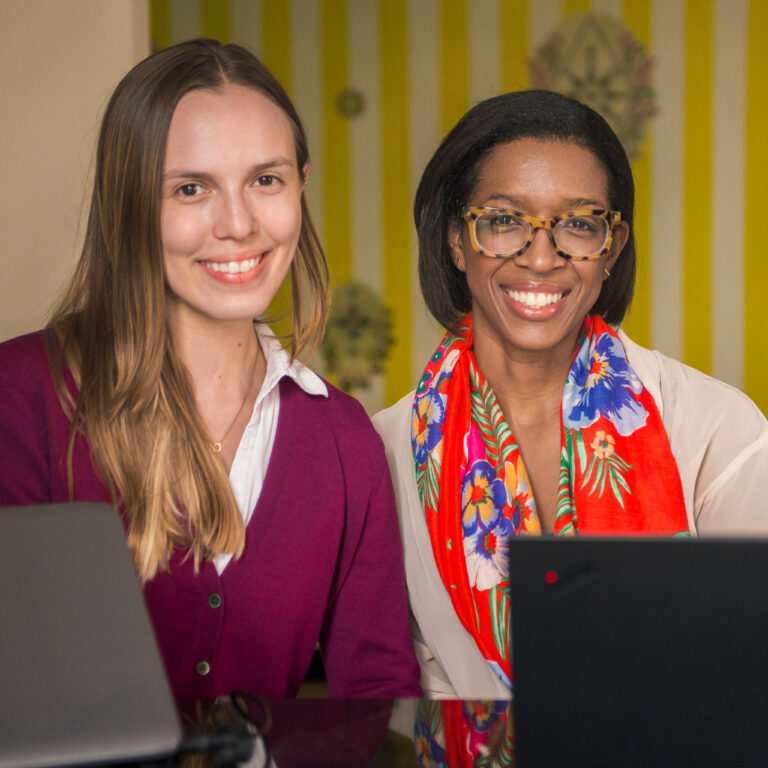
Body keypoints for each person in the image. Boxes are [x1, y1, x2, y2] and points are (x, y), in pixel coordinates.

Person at [0, 38, 421, 708]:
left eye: (265, 180)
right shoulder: (20, 395)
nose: (238, 224)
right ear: (130, 204)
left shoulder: (345, 442)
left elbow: (378, 699)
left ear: (301, 185)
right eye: (191, 189)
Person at [373, 90, 768, 707]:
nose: (541, 257)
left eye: (579, 224)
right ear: (456, 239)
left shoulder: (716, 427)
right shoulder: (386, 451)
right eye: (504, 220)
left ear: (611, 246)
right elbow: (415, 684)